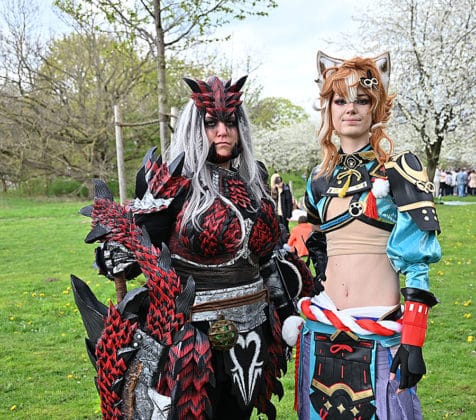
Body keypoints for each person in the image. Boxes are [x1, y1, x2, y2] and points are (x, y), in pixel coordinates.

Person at [72, 75, 312, 419]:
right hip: (191, 337)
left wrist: (287, 314)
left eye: (230, 122)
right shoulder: (172, 183)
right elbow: (139, 248)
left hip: (255, 329)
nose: (222, 131)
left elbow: (269, 259)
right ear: (195, 129)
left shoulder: (254, 178)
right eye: (211, 123)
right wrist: (114, 256)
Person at [282, 51, 442, 419]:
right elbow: (319, 242)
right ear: (329, 110)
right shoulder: (318, 179)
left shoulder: (401, 171)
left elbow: (418, 264)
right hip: (322, 325)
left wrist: (414, 340)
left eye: (362, 100)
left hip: (379, 331)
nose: (350, 108)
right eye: (340, 100)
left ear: (376, 108)